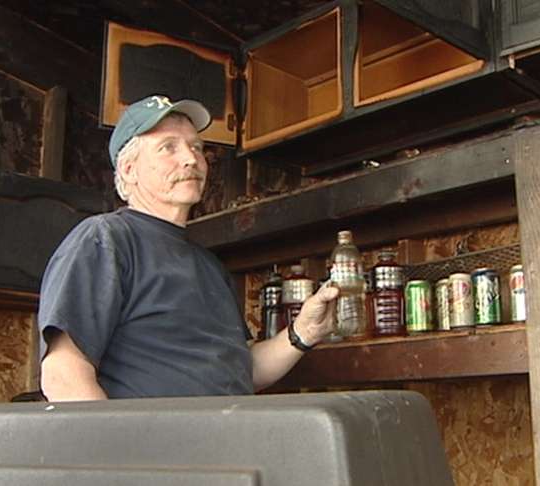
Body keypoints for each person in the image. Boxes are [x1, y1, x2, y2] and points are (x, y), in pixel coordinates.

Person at [39, 95, 338, 401]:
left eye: (196, 147)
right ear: (129, 170)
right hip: (158, 434)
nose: (191, 159)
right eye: (168, 147)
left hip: (232, 428)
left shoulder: (209, 265)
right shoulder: (105, 240)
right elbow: (63, 375)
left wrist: (302, 333)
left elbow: (243, 371)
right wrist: (121, 436)